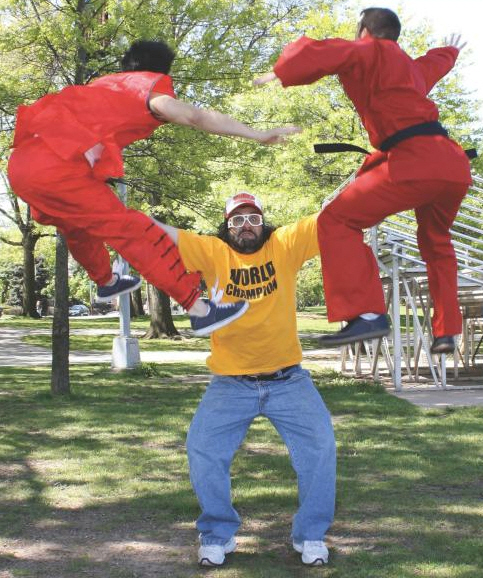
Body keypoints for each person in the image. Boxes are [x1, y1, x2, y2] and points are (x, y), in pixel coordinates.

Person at [7, 40, 299, 336]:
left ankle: (106, 281)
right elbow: (196, 117)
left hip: (22, 165)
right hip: (55, 169)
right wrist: (258, 134)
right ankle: (198, 309)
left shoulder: (105, 85)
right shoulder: (146, 87)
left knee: (76, 225)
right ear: (160, 72)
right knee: (133, 229)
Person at [254, 7, 472, 353]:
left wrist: (282, 71)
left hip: (414, 161)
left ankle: (367, 313)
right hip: (452, 165)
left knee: (337, 219)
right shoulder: (409, 70)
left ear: (364, 31)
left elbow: (327, 52)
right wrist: (450, 51)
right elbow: (433, 66)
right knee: (437, 242)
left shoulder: (370, 49)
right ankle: (447, 332)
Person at [156, 191, 336, 567]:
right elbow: (161, 232)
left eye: (253, 218)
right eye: (237, 220)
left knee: (319, 450)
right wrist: (108, 210)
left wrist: (376, 175)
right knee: (202, 450)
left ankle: (311, 535)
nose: (246, 226)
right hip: (230, 383)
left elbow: (332, 215)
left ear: (263, 221)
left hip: (288, 380)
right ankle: (218, 534)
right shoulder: (212, 251)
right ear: (227, 227)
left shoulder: (284, 245)